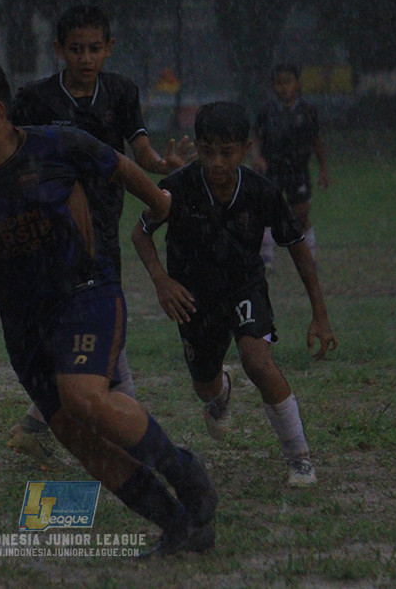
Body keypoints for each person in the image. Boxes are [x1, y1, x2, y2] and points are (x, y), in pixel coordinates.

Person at [0, 56, 217, 555]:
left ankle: (185, 473)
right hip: (23, 324)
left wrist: (161, 203)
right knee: (74, 435)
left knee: (84, 396)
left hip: (86, 293)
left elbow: (120, 165)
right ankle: (178, 525)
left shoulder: (58, 144)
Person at [6, 4, 191, 469]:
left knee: (95, 311)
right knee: (85, 316)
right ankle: (127, 433)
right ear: (59, 51)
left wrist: (160, 166)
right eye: (75, 49)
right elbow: (13, 157)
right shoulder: (35, 99)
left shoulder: (121, 92)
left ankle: (38, 423)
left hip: (102, 224)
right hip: (51, 227)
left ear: (109, 48)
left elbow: (139, 149)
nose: (85, 58)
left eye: (94, 49)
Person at [131, 101, 337, 487]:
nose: (216, 162)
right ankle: (220, 392)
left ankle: (300, 458)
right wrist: (161, 280)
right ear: (198, 146)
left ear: (244, 150)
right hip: (192, 296)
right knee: (204, 385)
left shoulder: (262, 193)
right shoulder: (177, 187)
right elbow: (141, 232)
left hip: (244, 287)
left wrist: (319, 314)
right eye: (207, 151)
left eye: (227, 152)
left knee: (258, 362)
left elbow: (298, 249)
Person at [250, 63, 331, 272]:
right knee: (267, 212)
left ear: (297, 84)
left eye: (288, 82)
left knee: (301, 214)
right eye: (278, 83)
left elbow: (317, 141)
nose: (283, 88)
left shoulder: (307, 111)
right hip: (273, 168)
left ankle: (309, 258)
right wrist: (257, 157)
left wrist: (323, 169)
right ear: (273, 86)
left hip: (298, 170)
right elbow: (256, 138)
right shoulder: (267, 111)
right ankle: (266, 259)